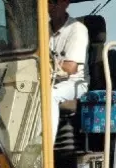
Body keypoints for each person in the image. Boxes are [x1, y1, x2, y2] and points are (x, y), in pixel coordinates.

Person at [49, 0, 89, 141]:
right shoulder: (42, 31)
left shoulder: (77, 29)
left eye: (54, 2)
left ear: (65, 3)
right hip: (48, 80)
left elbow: (71, 68)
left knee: (50, 94)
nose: (50, 7)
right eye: (47, 2)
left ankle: (46, 147)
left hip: (74, 83)